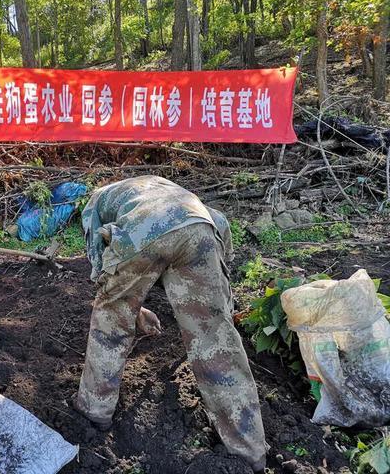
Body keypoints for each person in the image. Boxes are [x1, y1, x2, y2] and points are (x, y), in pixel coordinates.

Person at [73, 175, 266, 472]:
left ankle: (95, 409)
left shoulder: (97, 201)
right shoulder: (181, 197)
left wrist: (127, 310)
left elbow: (103, 268)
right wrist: (218, 314)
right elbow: (220, 238)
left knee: (110, 320)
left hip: (142, 234)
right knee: (215, 340)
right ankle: (249, 448)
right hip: (198, 232)